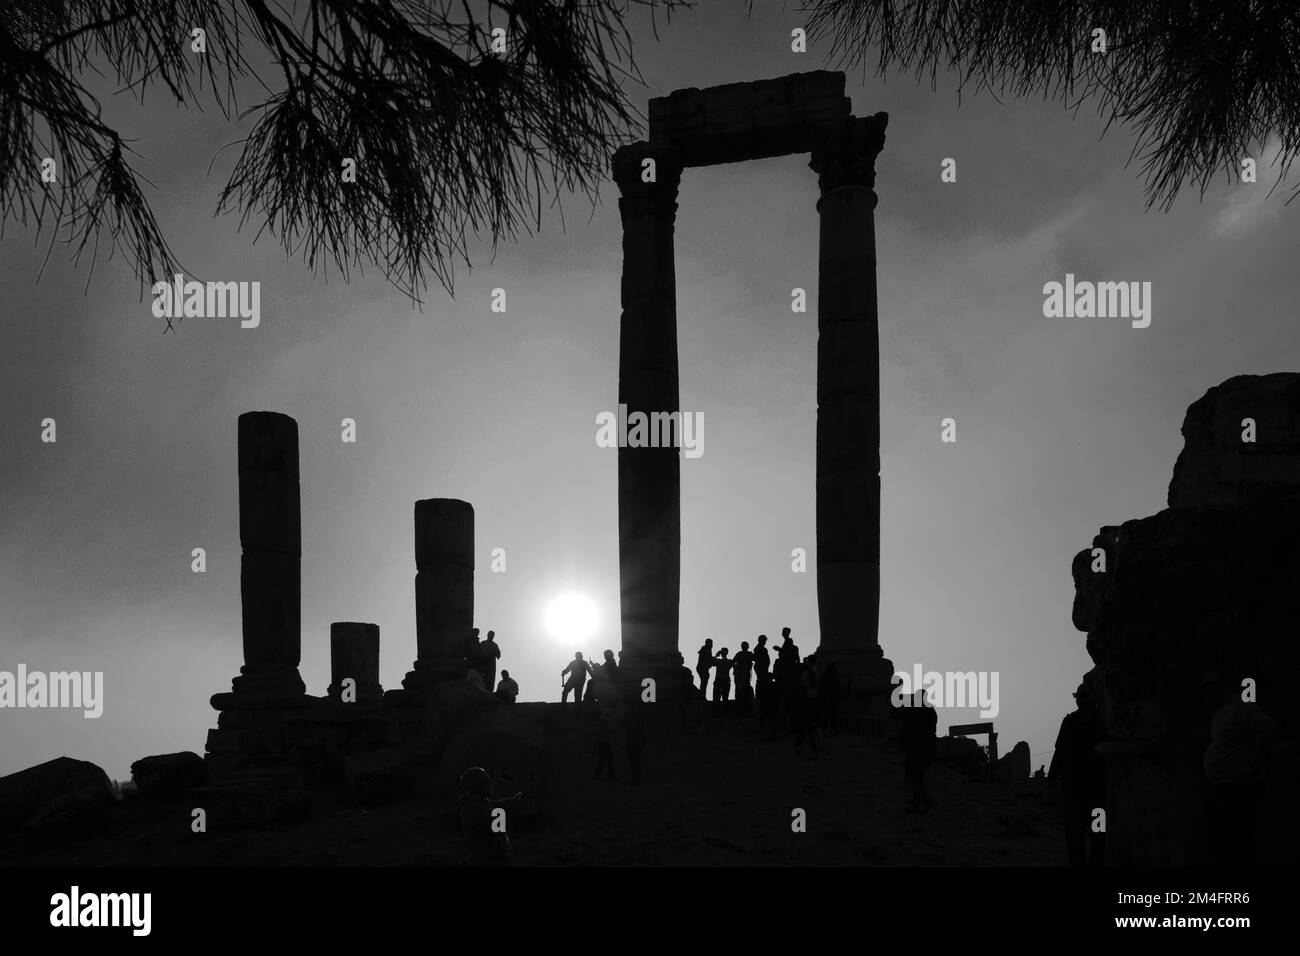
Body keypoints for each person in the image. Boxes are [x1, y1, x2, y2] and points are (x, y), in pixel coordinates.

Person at [1201, 671, 1277, 865]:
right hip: (1223, 785)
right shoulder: (1220, 711)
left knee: (1239, 841)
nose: (1208, 691)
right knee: (1222, 841)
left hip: (1239, 786)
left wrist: (1251, 762)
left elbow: (1267, 728)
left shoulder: (1243, 706)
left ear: (1223, 684)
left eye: (1211, 686)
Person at [1047, 681, 1106, 866]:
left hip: (1097, 793)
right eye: (1078, 697)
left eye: (1082, 697)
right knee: (1075, 837)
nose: (1078, 701)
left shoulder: (1102, 722)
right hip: (1077, 792)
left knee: (1099, 836)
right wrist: (1051, 778)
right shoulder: (1071, 721)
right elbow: (1060, 752)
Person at [457, 766, 522, 867]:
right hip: (487, 860)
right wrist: (519, 807)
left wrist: (518, 798)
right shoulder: (472, 809)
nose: (490, 783)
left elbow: (499, 804)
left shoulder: (480, 803)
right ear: (478, 786)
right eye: (487, 781)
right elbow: (499, 825)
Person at [895, 688, 937, 811]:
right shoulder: (930, 710)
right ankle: (917, 803)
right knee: (917, 778)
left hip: (916, 749)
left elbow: (894, 714)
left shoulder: (912, 710)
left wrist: (902, 702)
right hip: (928, 749)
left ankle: (925, 800)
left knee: (911, 778)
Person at [791, 659, 820, 758]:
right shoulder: (811, 673)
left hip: (803, 706)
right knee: (807, 730)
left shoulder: (800, 682)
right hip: (809, 703)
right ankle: (811, 749)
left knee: (803, 730)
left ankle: (804, 749)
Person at [733, 641, 755, 715]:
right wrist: (736, 669)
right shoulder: (740, 654)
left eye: (745, 646)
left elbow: (755, 658)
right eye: (743, 646)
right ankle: (739, 708)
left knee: (745, 689)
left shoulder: (749, 654)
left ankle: (744, 707)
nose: (744, 647)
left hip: (745, 674)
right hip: (740, 675)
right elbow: (733, 662)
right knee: (739, 690)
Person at [821, 661, 842, 735]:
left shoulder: (825, 675)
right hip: (833, 697)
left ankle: (829, 729)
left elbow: (822, 686)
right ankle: (833, 729)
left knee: (829, 715)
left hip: (829, 697)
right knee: (833, 714)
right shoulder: (835, 675)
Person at [757, 669, 778, 740]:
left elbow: (759, 695)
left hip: (764, 703)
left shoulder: (762, 685)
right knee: (771, 719)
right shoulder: (774, 685)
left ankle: (764, 732)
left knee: (764, 718)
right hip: (771, 704)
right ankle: (772, 733)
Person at [711, 648, 733, 716]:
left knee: (718, 698)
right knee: (723, 698)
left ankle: (717, 713)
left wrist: (716, 656)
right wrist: (716, 656)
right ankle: (721, 713)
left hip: (721, 680)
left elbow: (711, 662)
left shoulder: (719, 661)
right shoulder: (729, 661)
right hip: (723, 681)